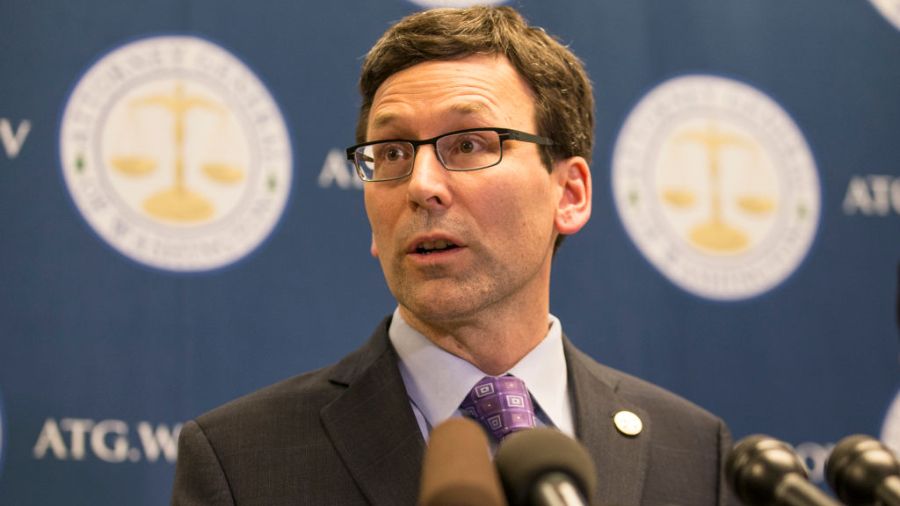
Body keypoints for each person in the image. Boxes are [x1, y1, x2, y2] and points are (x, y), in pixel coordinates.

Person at [171, 6, 734, 506]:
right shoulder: (240, 461)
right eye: (390, 152)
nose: (420, 185)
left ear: (569, 194)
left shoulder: (692, 449)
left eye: (468, 145)